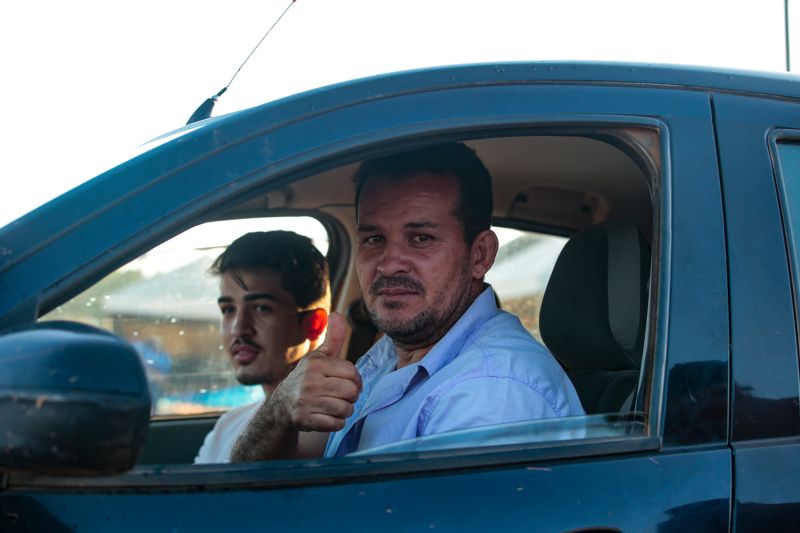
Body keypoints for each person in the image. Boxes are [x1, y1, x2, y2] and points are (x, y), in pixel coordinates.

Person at [230, 142, 584, 461]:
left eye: (420, 237)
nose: (388, 262)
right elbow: (278, 479)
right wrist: (278, 410)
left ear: (480, 255)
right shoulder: (390, 356)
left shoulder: (492, 392)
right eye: (374, 238)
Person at [194, 231, 330, 464]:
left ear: (314, 325)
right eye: (228, 310)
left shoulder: (339, 426)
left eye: (261, 308)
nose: (239, 329)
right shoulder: (226, 428)